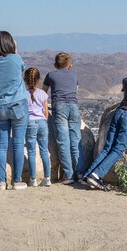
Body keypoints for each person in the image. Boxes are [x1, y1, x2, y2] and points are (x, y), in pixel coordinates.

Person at [84, 56, 127, 191]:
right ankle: (96, 175)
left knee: (107, 147)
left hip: (119, 112)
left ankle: (88, 175)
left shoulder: (126, 81)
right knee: (118, 149)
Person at [0, 31, 28, 190]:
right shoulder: (16, 59)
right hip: (18, 105)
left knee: (1, 145)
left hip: (0, 106)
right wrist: (15, 50)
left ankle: (2, 182)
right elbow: (22, 69)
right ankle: (17, 181)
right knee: (17, 144)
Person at [43, 52, 84, 184]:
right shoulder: (74, 75)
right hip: (74, 107)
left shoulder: (50, 75)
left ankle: (68, 174)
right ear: (69, 65)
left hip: (59, 107)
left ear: (55, 64)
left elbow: (43, 94)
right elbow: (75, 92)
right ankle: (80, 173)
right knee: (76, 141)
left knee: (63, 141)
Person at [24, 67, 51, 187]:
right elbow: (46, 112)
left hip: (30, 122)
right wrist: (44, 120)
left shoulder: (23, 94)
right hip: (42, 122)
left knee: (31, 152)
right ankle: (47, 178)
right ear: (39, 80)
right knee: (44, 151)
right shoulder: (43, 94)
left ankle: (33, 179)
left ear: (25, 80)